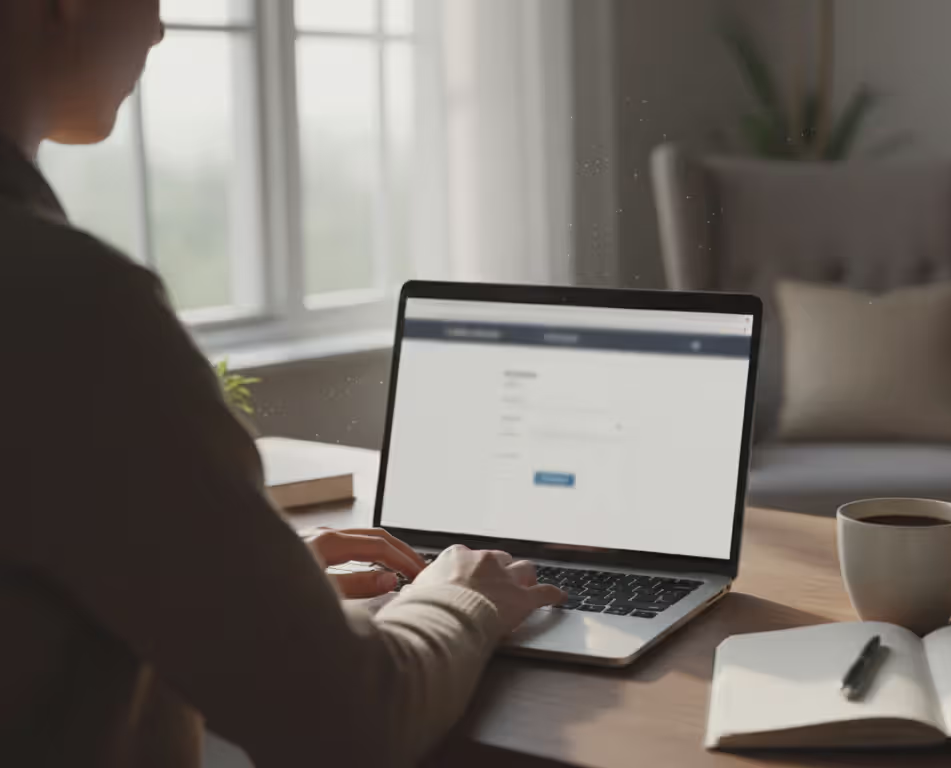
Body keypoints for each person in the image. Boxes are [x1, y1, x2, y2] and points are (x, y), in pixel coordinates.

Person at [0, 2, 566, 766]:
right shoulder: (71, 303)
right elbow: (351, 720)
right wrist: (465, 593)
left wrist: (248, 588)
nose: (160, 29)